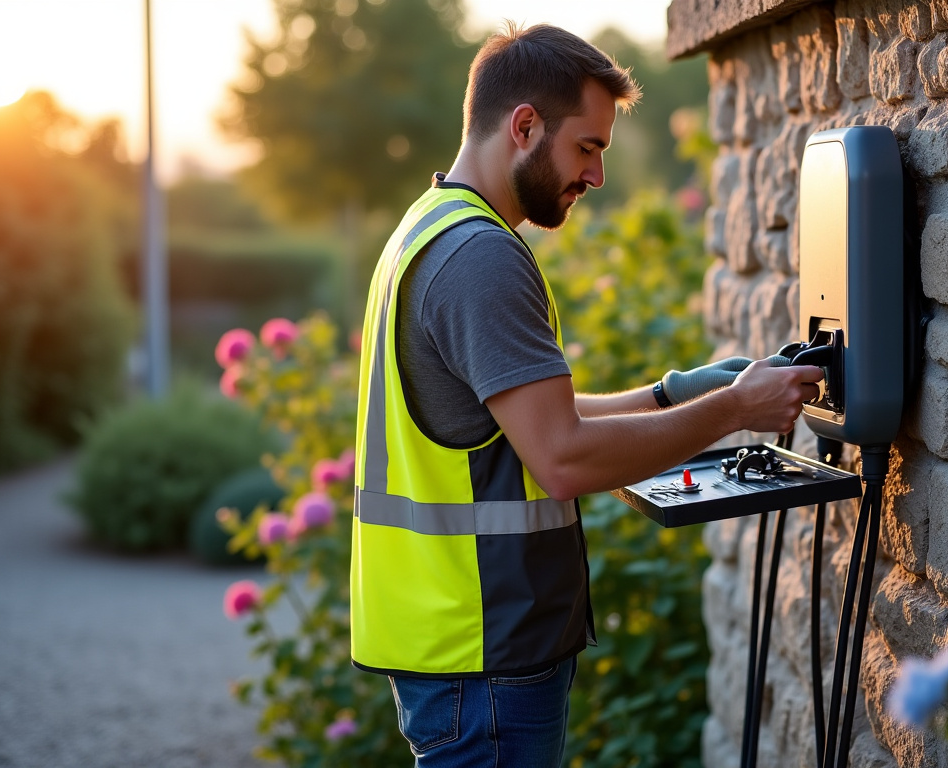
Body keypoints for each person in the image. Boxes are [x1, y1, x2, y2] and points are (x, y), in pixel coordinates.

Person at [351, 22, 824, 768]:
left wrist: (674, 396)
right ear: (525, 126)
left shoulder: (429, 228)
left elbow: (528, 423)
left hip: (459, 650)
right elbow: (562, 458)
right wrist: (734, 411)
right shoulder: (480, 258)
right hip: (487, 659)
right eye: (588, 148)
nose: (596, 176)